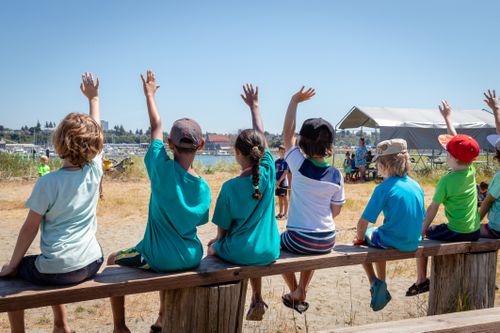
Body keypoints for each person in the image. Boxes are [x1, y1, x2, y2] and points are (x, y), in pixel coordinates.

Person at [106, 70, 211, 333]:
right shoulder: (204, 188)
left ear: (170, 145)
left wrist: (150, 95)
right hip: (191, 256)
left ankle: (120, 326)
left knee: (111, 260)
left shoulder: (161, 168)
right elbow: (198, 221)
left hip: (157, 257)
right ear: (201, 147)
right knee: (165, 262)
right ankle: (162, 316)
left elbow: (155, 127)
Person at [0, 72, 104, 333]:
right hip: (91, 262)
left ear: (59, 141)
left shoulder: (48, 183)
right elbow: (97, 127)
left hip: (59, 269)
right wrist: (95, 98)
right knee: (52, 261)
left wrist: (12, 265)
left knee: (19, 273)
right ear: (95, 145)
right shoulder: (94, 171)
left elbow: (29, 228)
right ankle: (61, 324)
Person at [208, 84, 280, 321]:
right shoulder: (268, 174)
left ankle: (223, 310)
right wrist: (255, 106)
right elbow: (262, 137)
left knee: (212, 249)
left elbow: (222, 230)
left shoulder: (230, 188)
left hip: (242, 251)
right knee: (251, 247)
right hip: (269, 249)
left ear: (238, 154)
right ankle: (256, 297)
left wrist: (216, 244)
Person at [280, 87, 345, 314]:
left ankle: (295, 289)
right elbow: (335, 211)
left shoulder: (298, 164)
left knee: (273, 245)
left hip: (299, 238)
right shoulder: (337, 175)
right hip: (327, 240)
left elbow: (287, 133)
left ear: (303, 143)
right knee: (313, 246)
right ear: (329, 146)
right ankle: (301, 290)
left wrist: (294, 101)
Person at [407, 100, 480, 296]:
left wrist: (422, 229)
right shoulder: (471, 170)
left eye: (447, 152)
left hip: (457, 232)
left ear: (453, 158)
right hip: (474, 230)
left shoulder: (447, 181)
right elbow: (460, 144)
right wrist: (448, 118)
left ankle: (421, 280)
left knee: (422, 238)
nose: (445, 153)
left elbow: (433, 208)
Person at [353, 139, 425, 311]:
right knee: (380, 235)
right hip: (414, 241)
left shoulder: (384, 188)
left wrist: (359, 238)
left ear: (384, 164)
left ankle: (376, 282)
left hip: (392, 240)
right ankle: (381, 281)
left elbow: (363, 223)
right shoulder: (417, 186)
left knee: (368, 237)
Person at [479, 89, 500, 239]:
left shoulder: (499, 177)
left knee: (463, 232)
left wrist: (474, 223)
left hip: (497, 229)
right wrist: (496, 109)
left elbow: (487, 202)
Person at [275, 145, 290, 218]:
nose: (282, 153)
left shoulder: (286, 161)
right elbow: (274, 172)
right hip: (277, 182)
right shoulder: (276, 161)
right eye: (281, 152)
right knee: (279, 197)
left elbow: (285, 172)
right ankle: (280, 213)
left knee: (284, 197)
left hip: (283, 182)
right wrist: (276, 181)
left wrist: (279, 181)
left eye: (284, 152)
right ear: (279, 152)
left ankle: (285, 214)